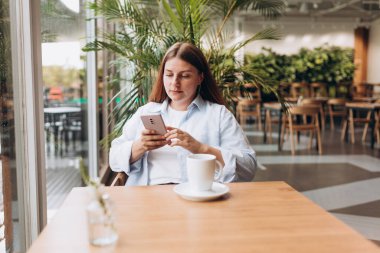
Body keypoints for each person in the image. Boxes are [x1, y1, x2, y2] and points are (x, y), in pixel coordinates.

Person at [109, 42, 257, 186]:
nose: (174, 83)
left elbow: (248, 168)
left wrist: (201, 148)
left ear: (200, 78)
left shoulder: (218, 115)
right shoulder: (147, 111)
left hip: (199, 199)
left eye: (185, 76)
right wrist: (139, 146)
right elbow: (114, 159)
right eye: (169, 75)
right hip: (148, 199)